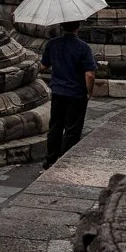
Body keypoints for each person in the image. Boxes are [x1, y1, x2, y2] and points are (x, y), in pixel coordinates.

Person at [39, 21, 97, 170]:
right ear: (78, 27)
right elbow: (89, 74)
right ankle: (64, 161)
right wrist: (89, 92)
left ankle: (50, 159)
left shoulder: (52, 44)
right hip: (76, 93)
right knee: (72, 129)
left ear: (62, 26)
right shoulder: (83, 47)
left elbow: (44, 65)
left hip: (58, 92)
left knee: (55, 127)